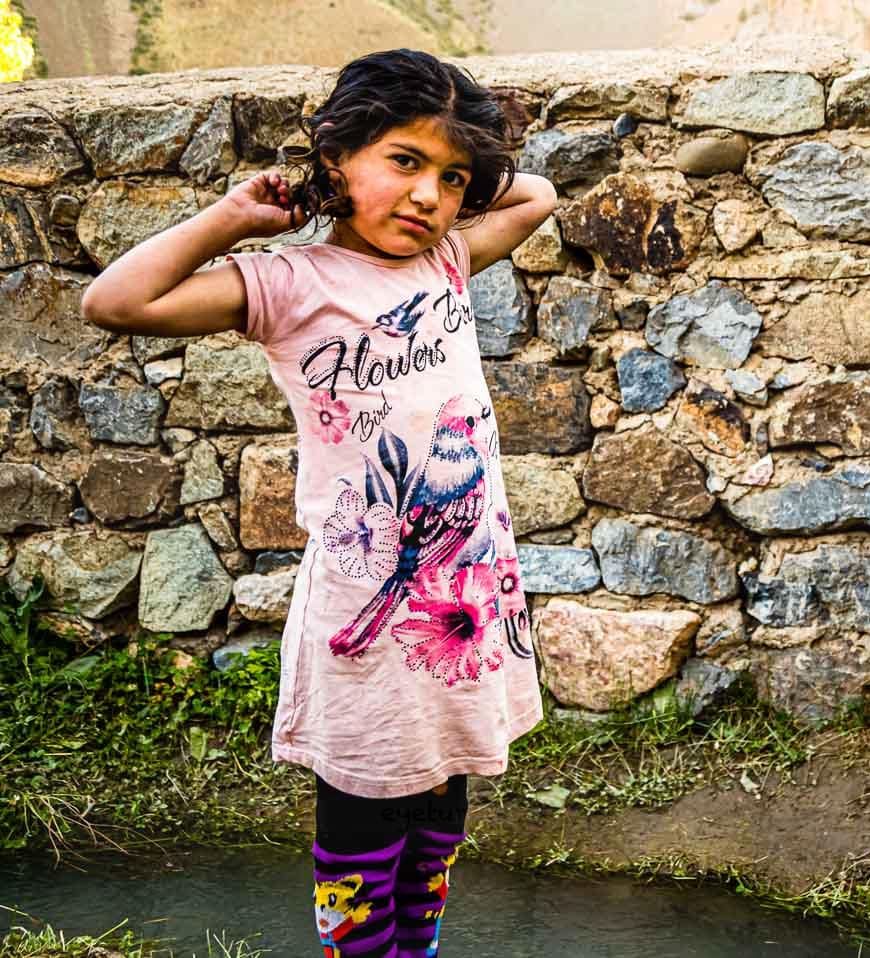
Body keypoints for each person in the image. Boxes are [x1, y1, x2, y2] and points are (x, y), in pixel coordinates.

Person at [83, 48, 557, 956]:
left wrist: (470, 171)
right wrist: (239, 215)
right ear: (338, 156)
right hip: (366, 607)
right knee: (366, 803)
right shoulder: (288, 284)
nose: (428, 195)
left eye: (451, 178)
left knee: (442, 798)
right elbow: (117, 302)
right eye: (404, 162)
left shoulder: (449, 260)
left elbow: (533, 196)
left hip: (464, 597)